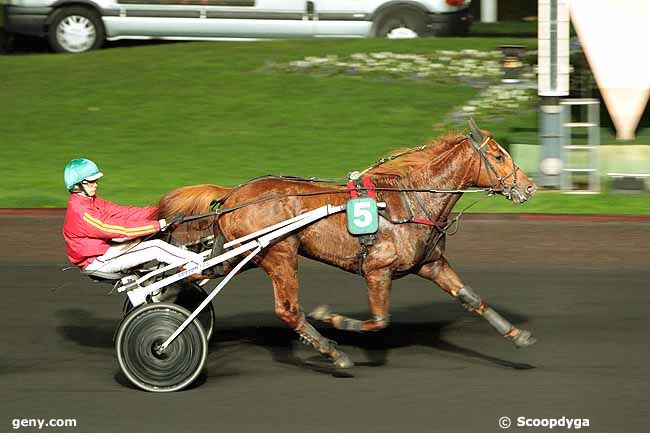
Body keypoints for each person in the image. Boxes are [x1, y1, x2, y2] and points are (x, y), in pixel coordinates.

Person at [62, 158, 203, 276]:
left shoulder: (90, 201)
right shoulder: (81, 211)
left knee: (154, 235)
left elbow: (123, 212)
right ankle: (199, 262)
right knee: (155, 247)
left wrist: (161, 213)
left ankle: (185, 254)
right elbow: (120, 229)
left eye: (96, 181)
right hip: (98, 261)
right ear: (77, 185)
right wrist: (159, 224)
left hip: (105, 250)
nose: (96, 185)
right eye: (90, 182)